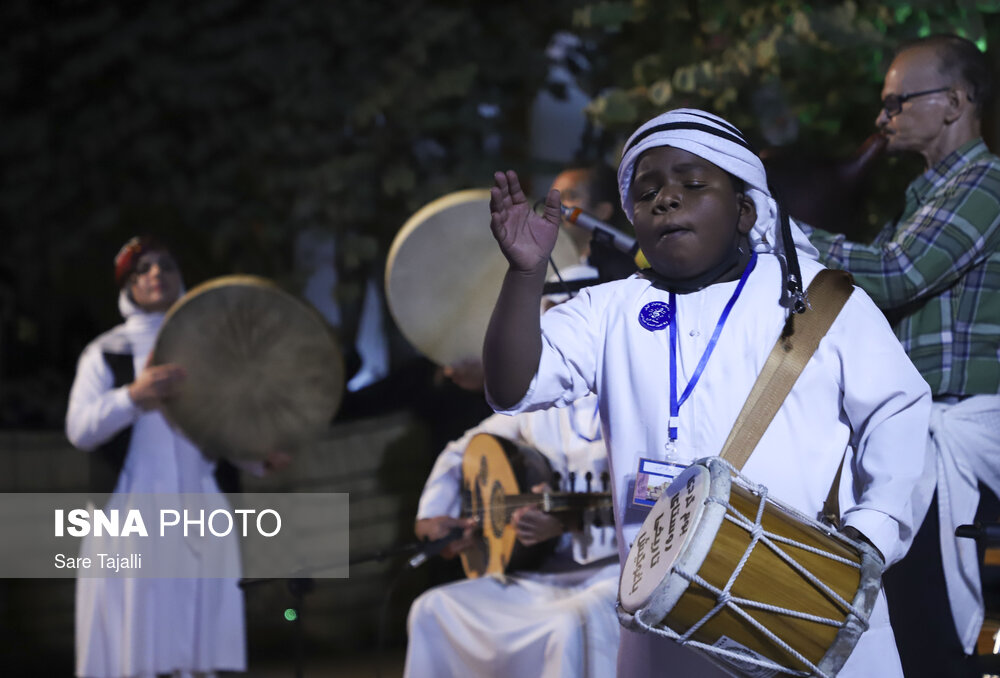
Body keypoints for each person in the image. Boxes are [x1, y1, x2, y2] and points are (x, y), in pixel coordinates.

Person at [483, 108, 933, 677]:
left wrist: (870, 535)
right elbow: (512, 387)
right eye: (646, 192)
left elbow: (901, 415)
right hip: (662, 634)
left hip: (810, 606)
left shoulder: (821, 300)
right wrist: (524, 274)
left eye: (692, 185)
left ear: (746, 209)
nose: (665, 199)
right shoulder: (608, 309)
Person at [801, 34, 1000, 673]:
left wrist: (786, 231)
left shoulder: (987, 182)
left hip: (955, 444)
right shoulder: (926, 198)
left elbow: (896, 274)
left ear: (954, 102)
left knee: (934, 626)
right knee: (911, 621)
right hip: (925, 442)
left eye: (897, 102)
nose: (883, 119)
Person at [403, 263, 620, 678]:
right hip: (543, 576)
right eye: (548, 314)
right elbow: (457, 453)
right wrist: (432, 515)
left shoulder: (632, 391)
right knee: (432, 609)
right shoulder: (537, 404)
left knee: (566, 628)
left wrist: (569, 522)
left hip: (615, 575)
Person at [65, 236, 249, 678]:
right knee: (137, 634)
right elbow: (80, 429)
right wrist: (133, 397)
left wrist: (260, 458)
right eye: (142, 269)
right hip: (133, 507)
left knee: (198, 636)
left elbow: (229, 428)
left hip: (200, 502)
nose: (156, 275)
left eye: (165, 266)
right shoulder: (106, 352)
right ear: (127, 286)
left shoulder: (210, 348)